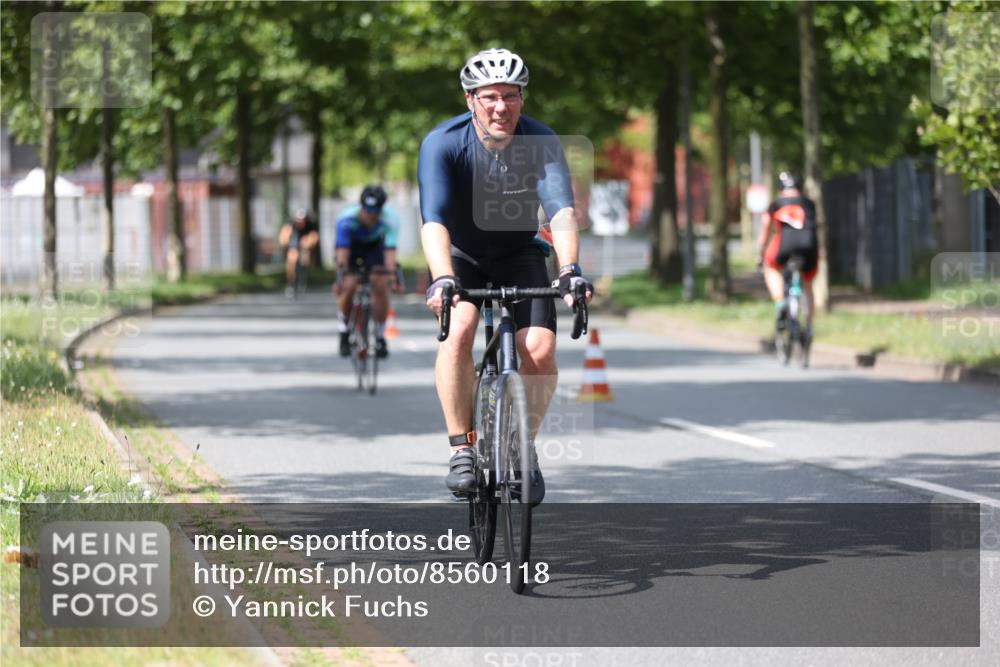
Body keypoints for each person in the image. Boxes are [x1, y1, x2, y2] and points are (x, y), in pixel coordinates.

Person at [418, 47, 593, 501]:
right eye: (490, 96)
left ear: (522, 98)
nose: (501, 106)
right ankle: (462, 447)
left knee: (538, 347)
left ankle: (522, 446)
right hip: (460, 255)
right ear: (470, 99)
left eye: (511, 96)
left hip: (519, 252)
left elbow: (561, 211)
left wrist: (570, 270)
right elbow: (433, 219)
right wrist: (442, 277)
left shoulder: (541, 140)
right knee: (460, 329)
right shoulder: (444, 142)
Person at [334, 185, 399, 359]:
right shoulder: (345, 220)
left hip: (374, 247)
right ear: (361, 206)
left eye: (375, 211)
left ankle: (379, 335)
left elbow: (390, 253)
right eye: (367, 210)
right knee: (349, 284)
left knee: (381, 283)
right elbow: (342, 255)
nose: (371, 215)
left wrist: (391, 276)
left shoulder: (391, 220)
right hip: (351, 247)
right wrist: (341, 276)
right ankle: (344, 331)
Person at [756, 171, 819, 339]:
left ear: (780, 189)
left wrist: (760, 252)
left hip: (785, 245)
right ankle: (809, 324)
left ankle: (781, 303)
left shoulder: (776, 204)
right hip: (809, 246)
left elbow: (765, 228)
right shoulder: (809, 203)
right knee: (807, 284)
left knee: (770, 267)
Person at [278, 208, 319, 297]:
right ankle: (291, 283)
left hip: (305, 242)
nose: (300, 223)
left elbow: (314, 237)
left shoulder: (310, 225)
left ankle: (303, 273)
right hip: (294, 241)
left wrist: (308, 243)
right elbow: (284, 235)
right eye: (299, 221)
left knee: (305, 259)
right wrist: (285, 241)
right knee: (291, 260)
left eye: (302, 221)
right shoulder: (291, 223)